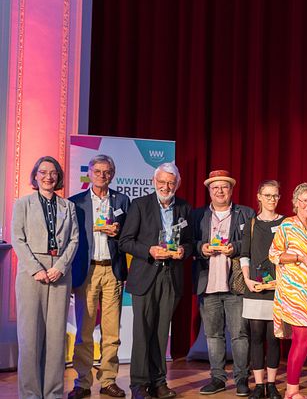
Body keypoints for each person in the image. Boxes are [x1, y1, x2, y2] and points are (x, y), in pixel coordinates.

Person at [119, 162, 195, 399]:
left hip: (170, 276)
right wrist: (149, 250)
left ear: (177, 184)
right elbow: (125, 241)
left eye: (171, 183)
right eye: (162, 182)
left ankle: (159, 382)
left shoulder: (184, 208)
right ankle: (139, 385)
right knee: (142, 332)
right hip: (146, 275)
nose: (166, 186)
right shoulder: (140, 205)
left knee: (162, 333)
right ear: (154, 182)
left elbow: (191, 242)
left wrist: (184, 250)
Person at [12, 156, 79, 399]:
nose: (48, 176)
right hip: (33, 274)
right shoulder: (23, 204)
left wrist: (60, 266)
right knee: (30, 338)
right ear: (36, 175)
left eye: (53, 173)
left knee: (55, 339)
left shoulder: (68, 207)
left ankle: (53, 393)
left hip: (60, 273)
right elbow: (18, 239)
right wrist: (36, 268)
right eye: (43, 172)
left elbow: (74, 240)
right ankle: (30, 394)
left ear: (58, 176)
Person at [69, 155, 130, 399]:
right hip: (87, 270)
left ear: (112, 174)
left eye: (107, 172)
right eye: (98, 171)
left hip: (112, 270)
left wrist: (119, 231)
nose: (102, 176)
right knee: (84, 331)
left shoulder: (123, 200)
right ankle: (82, 382)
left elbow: (130, 235)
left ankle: (108, 380)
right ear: (90, 173)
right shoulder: (76, 202)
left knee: (112, 331)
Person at [192, 170, 254, 395]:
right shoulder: (198, 215)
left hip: (235, 285)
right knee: (213, 335)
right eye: (215, 187)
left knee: (239, 335)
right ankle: (217, 378)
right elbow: (190, 242)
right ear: (209, 191)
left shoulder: (245, 213)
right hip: (208, 285)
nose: (219, 191)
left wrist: (235, 248)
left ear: (231, 190)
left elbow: (251, 243)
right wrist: (201, 248)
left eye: (224, 187)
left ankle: (241, 379)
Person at [268, 183, 307, 399]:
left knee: (305, 339)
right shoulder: (287, 225)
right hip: (292, 290)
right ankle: (292, 391)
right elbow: (274, 254)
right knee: (304, 338)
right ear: (296, 203)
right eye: (304, 200)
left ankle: (293, 389)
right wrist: (299, 257)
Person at [240, 180, 285, 399]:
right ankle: (258, 385)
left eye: (275, 195)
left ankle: (272, 384)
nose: (271, 199)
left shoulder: (286, 223)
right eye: (267, 195)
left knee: (274, 337)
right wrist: (247, 279)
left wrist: (283, 280)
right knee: (256, 337)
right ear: (259, 196)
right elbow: (244, 254)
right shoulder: (251, 223)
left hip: (279, 289)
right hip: (255, 288)